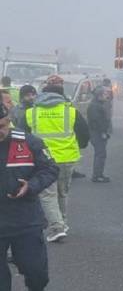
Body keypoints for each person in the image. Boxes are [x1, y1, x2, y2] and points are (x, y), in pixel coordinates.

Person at [0, 102, 59, 291]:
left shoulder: (26, 142)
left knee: (34, 269)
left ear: (9, 120)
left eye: (2, 126)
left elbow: (50, 169)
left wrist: (31, 186)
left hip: (25, 218)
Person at [26, 77, 90, 243]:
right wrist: (80, 144)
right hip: (67, 158)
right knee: (63, 192)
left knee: (47, 194)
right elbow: (84, 133)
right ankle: (63, 223)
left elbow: (22, 135)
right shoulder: (70, 111)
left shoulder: (32, 112)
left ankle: (57, 227)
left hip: (43, 159)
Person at [87, 87, 113, 183]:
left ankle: (98, 174)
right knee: (100, 154)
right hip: (97, 134)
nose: (107, 96)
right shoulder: (95, 106)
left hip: (97, 133)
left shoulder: (97, 105)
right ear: (99, 96)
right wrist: (103, 132)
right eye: (105, 94)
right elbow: (97, 121)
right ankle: (97, 175)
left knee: (100, 154)